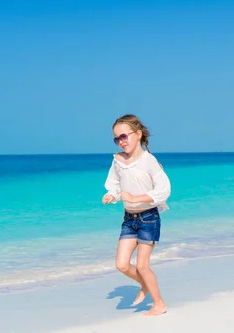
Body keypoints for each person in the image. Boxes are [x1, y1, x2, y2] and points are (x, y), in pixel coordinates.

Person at [102, 114, 171, 317]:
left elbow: (164, 190)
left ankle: (159, 304)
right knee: (121, 264)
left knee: (142, 265)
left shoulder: (149, 161)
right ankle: (145, 285)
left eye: (124, 136)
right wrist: (111, 195)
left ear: (138, 134)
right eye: (117, 139)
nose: (121, 141)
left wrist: (135, 197)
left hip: (148, 218)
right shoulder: (117, 161)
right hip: (129, 220)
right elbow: (115, 184)